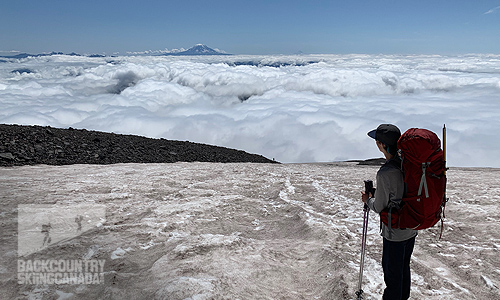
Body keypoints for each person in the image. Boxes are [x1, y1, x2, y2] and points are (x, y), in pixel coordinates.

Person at [361, 124, 417, 300]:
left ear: (382, 145)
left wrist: (367, 200)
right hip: (411, 227)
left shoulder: (386, 172)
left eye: (378, 141)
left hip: (395, 233)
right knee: (404, 268)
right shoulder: (409, 164)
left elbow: (379, 206)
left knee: (392, 276)